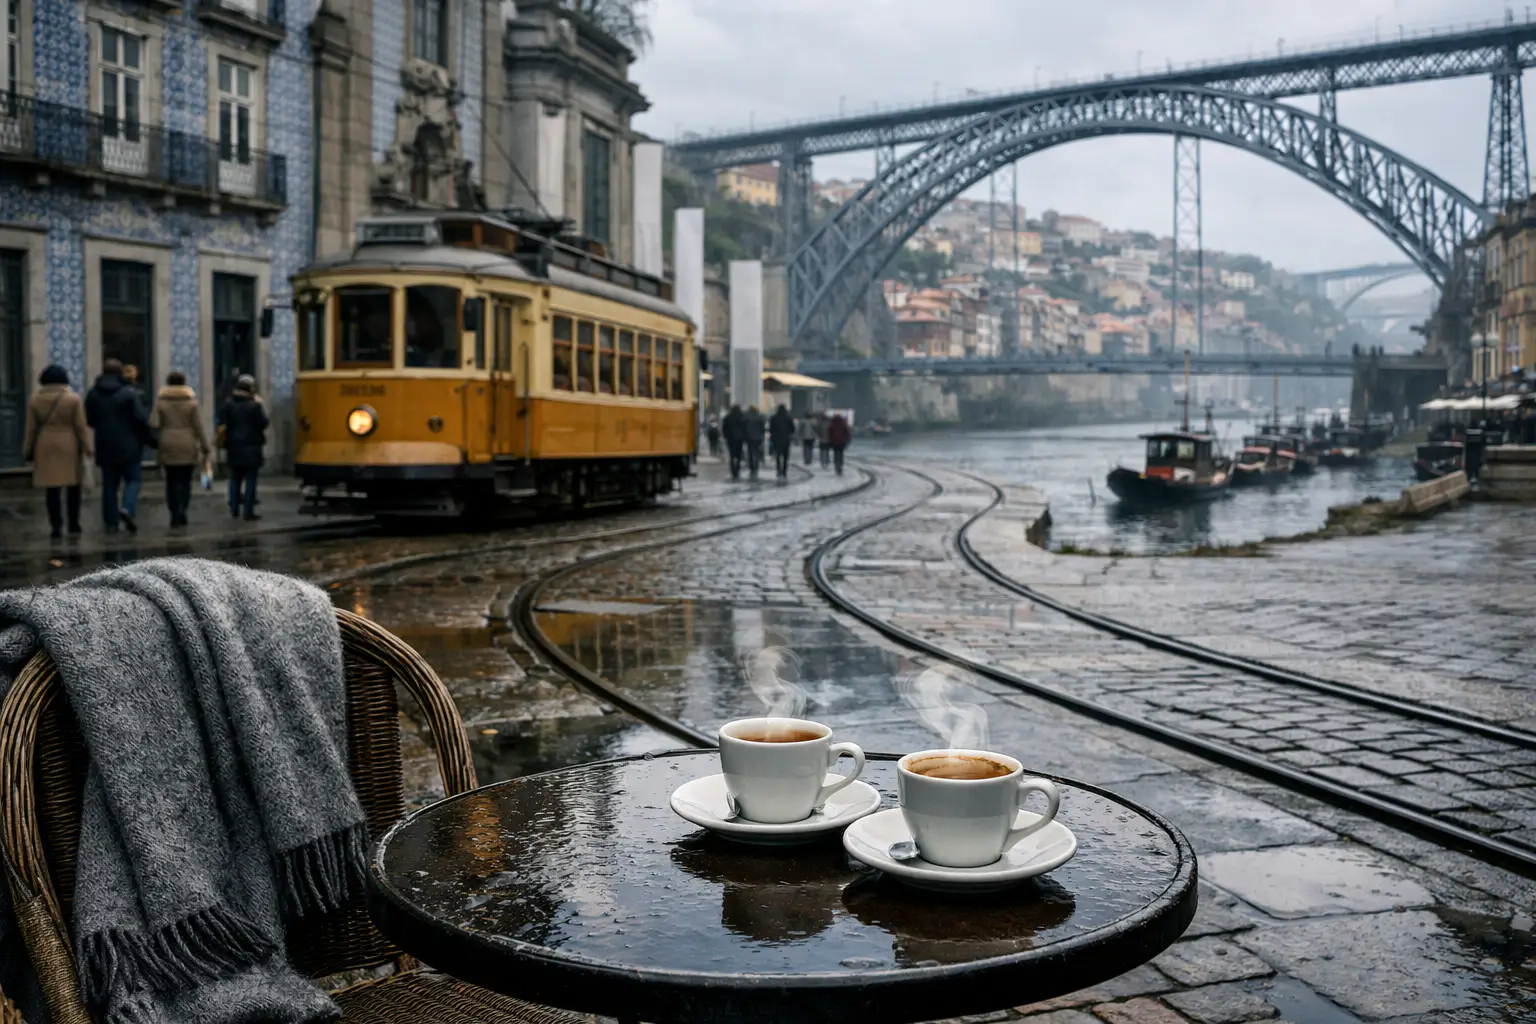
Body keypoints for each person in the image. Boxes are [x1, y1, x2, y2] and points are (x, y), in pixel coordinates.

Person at [23, 365, 91, 540]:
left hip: (45, 444)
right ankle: (74, 524)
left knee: (51, 489)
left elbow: (31, 429)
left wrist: (28, 449)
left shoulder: (35, 400)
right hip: (69, 443)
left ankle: (56, 526)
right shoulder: (73, 399)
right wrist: (88, 447)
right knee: (73, 486)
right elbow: (80, 426)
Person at [86, 357, 150, 534]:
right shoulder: (128, 393)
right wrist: (149, 439)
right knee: (133, 479)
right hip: (129, 444)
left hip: (105, 444)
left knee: (109, 485)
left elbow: (89, 419)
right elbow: (140, 419)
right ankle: (127, 507)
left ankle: (110, 522)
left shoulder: (94, 393)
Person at [150, 371, 210, 528]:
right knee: (185, 480)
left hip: (167, 442)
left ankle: (174, 512)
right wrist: (205, 445)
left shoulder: (161, 402)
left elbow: (154, 423)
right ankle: (182, 509)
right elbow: (198, 426)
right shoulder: (191, 403)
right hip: (187, 442)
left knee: (171, 480)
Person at [219, 373, 269, 521]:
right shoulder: (254, 406)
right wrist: (260, 404)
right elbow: (264, 423)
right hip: (252, 447)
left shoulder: (228, 405)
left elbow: (222, 424)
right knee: (251, 480)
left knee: (235, 478)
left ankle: (234, 508)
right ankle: (248, 511)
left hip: (234, 447)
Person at [768, 404, 795, 479]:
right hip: (786, 440)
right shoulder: (788, 418)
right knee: (785, 457)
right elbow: (792, 429)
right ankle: (784, 471)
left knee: (778, 456)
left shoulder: (773, 418)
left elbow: (771, 429)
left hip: (776, 440)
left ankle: (778, 470)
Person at [722, 404, 746, 480]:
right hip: (740, 438)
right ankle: (738, 469)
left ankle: (733, 470)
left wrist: (725, 436)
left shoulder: (728, 417)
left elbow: (724, 428)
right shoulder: (742, 417)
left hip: (730, 438)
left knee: (732, 455)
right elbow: (745, 427)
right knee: (738, 455)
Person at [743, 405, 766, 480]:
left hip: (749, 437)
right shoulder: (759, 417)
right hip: (758, 438)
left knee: (750, 452)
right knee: (756, 452)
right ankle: (756, 466)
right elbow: (762, 428)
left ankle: (751, 467)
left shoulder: (746, 417)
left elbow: (744, 427)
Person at [827, 411, 852, 476]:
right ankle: (840, 466)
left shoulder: (832, 423)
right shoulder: (843, 423)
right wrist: (848, 439)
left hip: (834, 441)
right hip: (841, 441)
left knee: (836, 454)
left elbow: (830, 433)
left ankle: (837, 465)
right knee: (840, 454)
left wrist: (830, 441)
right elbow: (847, 432)